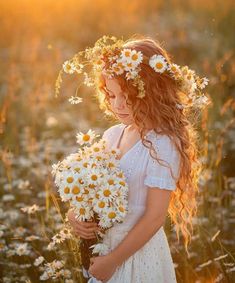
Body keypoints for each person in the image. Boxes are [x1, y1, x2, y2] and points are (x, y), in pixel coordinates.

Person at [67, 35, 208, 282]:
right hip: (105, 251)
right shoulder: (113, 136)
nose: (118, 105)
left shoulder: (162, 143)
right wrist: (76, 216)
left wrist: (113, 261)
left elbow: (154, 218)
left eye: (127, 96)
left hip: (136, 255)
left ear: (151, 91)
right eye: (111, 95)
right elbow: (90, 191)